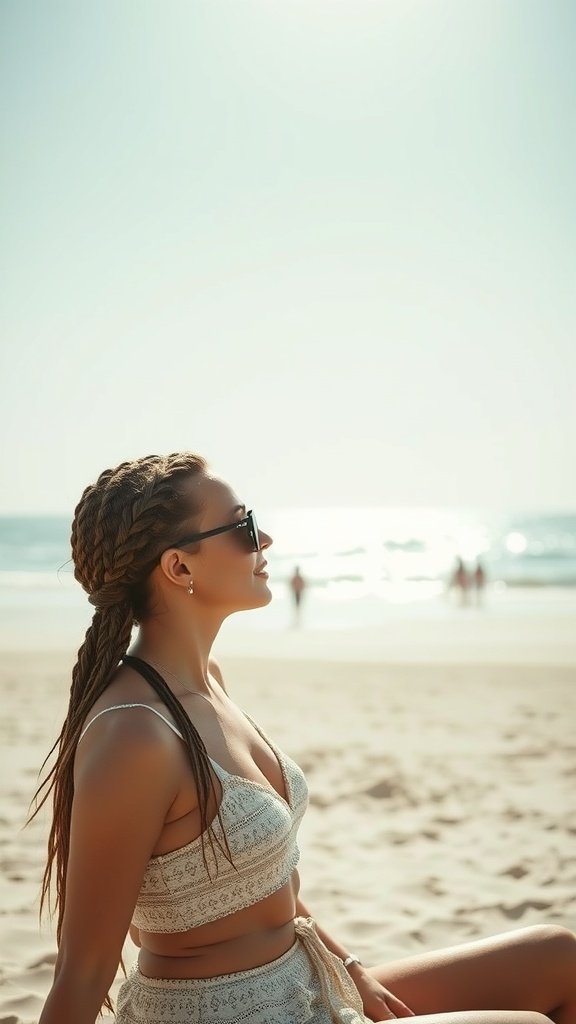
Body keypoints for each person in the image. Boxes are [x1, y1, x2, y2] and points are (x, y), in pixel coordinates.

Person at [33, 453, 575, 1024]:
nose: (264, 537)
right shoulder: (135, 733)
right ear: (178, 567)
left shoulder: (207, 682)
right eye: (242, 528)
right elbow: (84, 970)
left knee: (558, 958)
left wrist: (352, 967)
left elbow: (266, 877)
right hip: (229, 1014)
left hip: (301, 984)